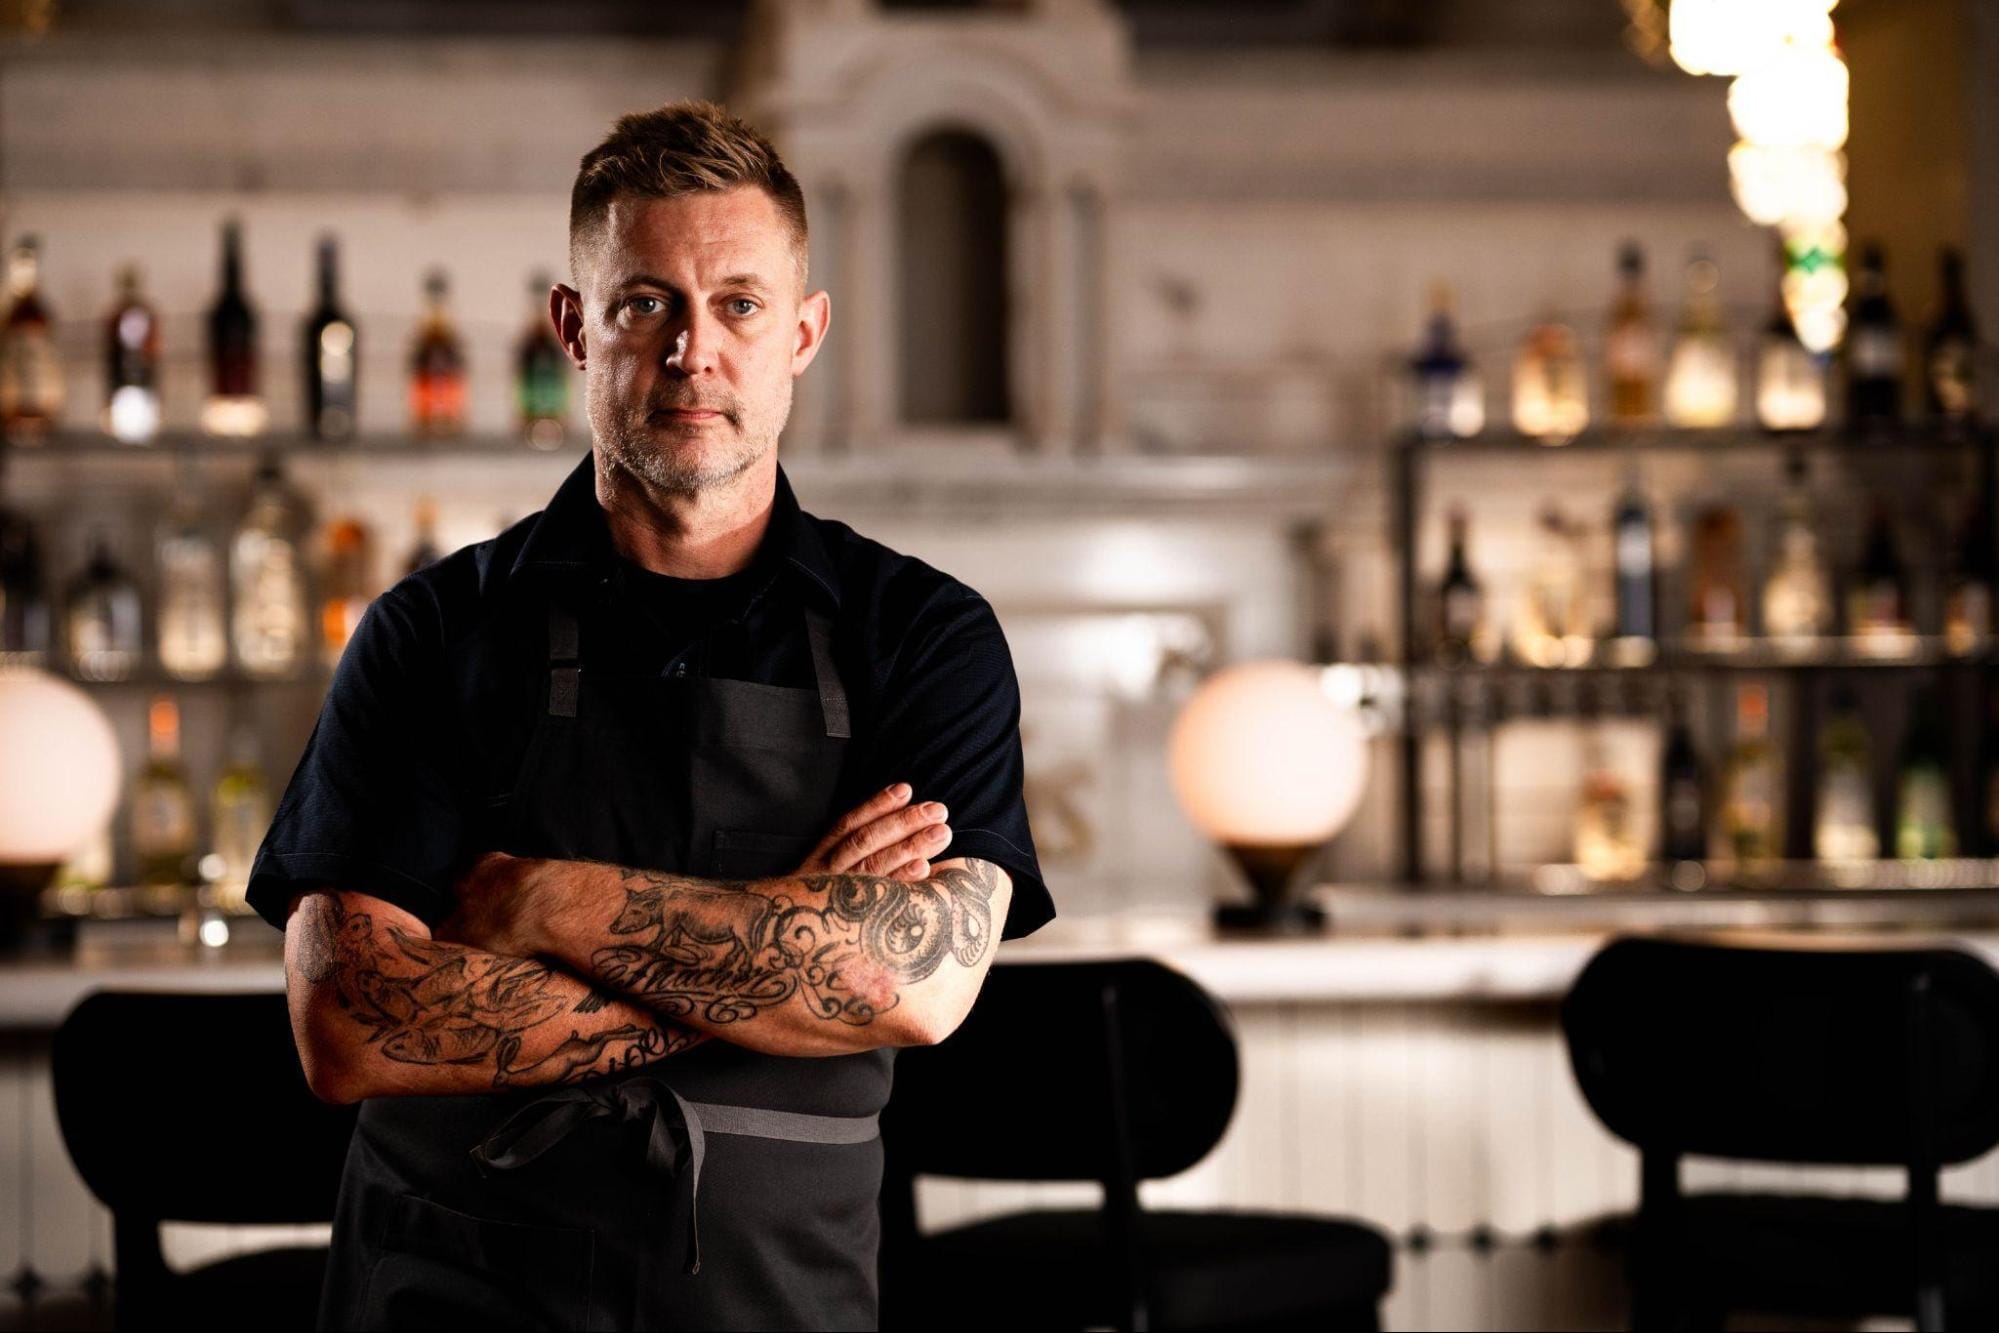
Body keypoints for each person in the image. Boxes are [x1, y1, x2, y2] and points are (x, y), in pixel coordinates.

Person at [247, 99, 1053, 1332]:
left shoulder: (922, 635)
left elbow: (910, 983)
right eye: (644, 305)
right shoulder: (432, 633)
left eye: (738, 303)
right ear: (574, 327)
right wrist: (777, 956)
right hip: (452, 1294)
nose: (693, 351)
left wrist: (541, 905)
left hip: (773, 1295)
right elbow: (350, 1025)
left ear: (803, 332)